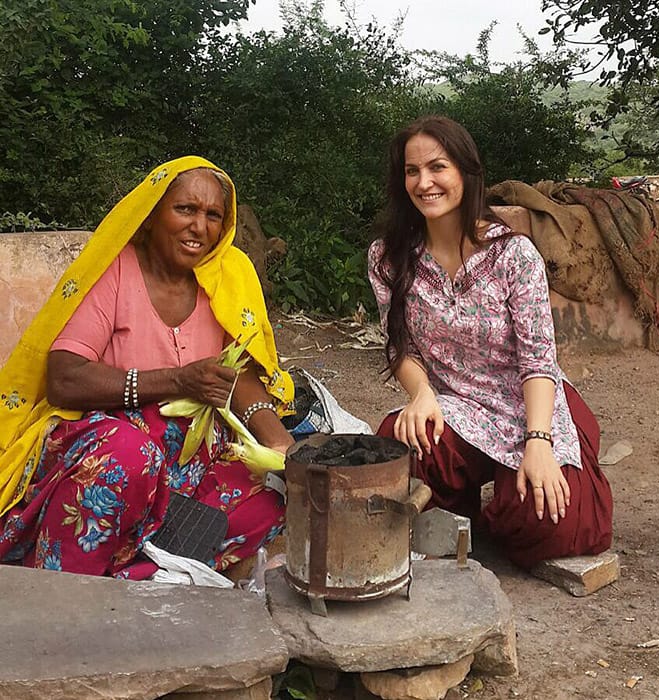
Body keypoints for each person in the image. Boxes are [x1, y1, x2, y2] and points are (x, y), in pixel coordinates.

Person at [0, 156, 295, 579]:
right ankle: (66, 586)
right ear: (154, 213)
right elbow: (64, 378)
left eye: (213, 215)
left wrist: (285, 449)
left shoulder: (227, 278)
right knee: (132, 455)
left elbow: (241, 376)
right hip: (107, 447)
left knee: (270, 499)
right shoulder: (117, 270)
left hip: (185, 462)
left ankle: (143, 569)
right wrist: (175, 380)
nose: (200, 227)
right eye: (186, 210)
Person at [368, 116, 613, 569]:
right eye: (411, 171)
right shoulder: (389, 258)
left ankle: (540, 479)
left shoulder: (513, 254)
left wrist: (539, 441)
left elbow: (538, 360)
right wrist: (421, 394)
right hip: (456, 404)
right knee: (396, 447)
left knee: (553, 523)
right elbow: (399, 345)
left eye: (437, 167)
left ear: (465, 171)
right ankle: (460, 510)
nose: (424, 183)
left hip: (527, 403)